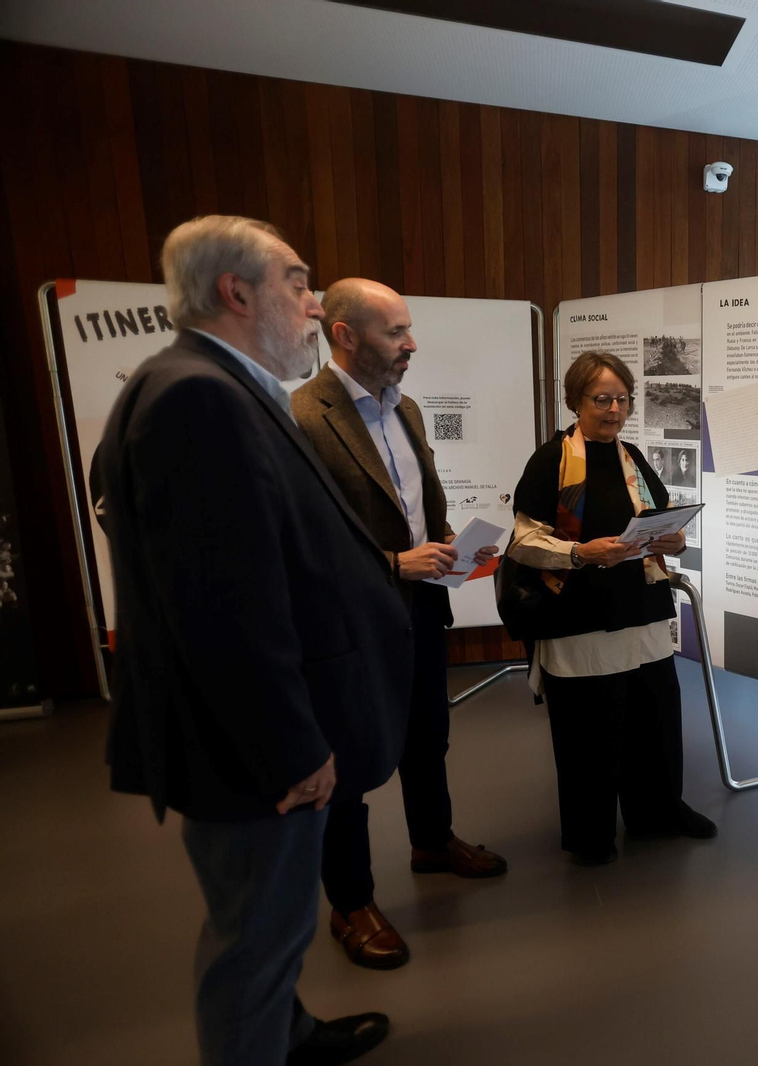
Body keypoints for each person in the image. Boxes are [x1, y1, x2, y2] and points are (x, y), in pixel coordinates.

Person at [90, 216, 406, 1065]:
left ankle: (290, 1035)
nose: (312, 304)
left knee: (272, 924)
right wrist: (293, 749)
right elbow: (223, 609)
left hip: (241, 735)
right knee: (255, 941)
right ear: (237, 292)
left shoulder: (201, 383)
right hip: (253, 749)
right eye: (298, 283)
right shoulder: (198, 397)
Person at [292, 278, 507, 970]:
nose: (411, 344)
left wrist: (451, 549)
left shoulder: (406, 408)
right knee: (350, 761)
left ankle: (432, 840)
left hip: (421, 607)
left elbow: (417, 504)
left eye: (410, 330)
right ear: (345, 335)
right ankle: (350, 904)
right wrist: (392, 563)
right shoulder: (301, 417)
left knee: (427, 735)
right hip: (349, 624)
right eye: (395, 333)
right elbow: (300, 542)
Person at [506, 350, 716, 865]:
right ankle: (590, 832)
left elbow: (663, 520)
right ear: (575, 400)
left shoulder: (634, 458)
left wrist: (674, 541)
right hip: (578, 618)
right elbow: (523, 541)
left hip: (641, 610)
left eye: (622, 399)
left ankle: (658, 811)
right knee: (589, 733)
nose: (614, 409)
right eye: (602, 399)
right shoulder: (551, 460)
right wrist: (580, 552)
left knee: (654, 720)